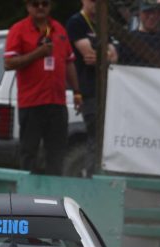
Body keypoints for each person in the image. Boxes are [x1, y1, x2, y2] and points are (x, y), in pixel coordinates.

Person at [5, 0, 82, 176]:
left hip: (57, 102)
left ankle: (53, 197)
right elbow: (8, 63)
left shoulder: (60, 29)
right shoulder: (18, 30)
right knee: (29, 152)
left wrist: (77, 92)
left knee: (57, 153)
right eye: (35, 3)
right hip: (32, 103)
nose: (40, 7)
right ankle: (27, 197)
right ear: (27, 6)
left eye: (45, 3)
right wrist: (37, 54)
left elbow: (69, 62)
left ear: (50, 6)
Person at [66, 0, 118, 176]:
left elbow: (114, 56)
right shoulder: (76, 22)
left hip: (106, 91)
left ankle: (100, 175)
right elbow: (89, 55)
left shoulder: (101, 24)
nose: (96, 3)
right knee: (95, 136)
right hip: (89, 90)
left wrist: (105, 57)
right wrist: (106, 56)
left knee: (105, 139)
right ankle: (89, 176)